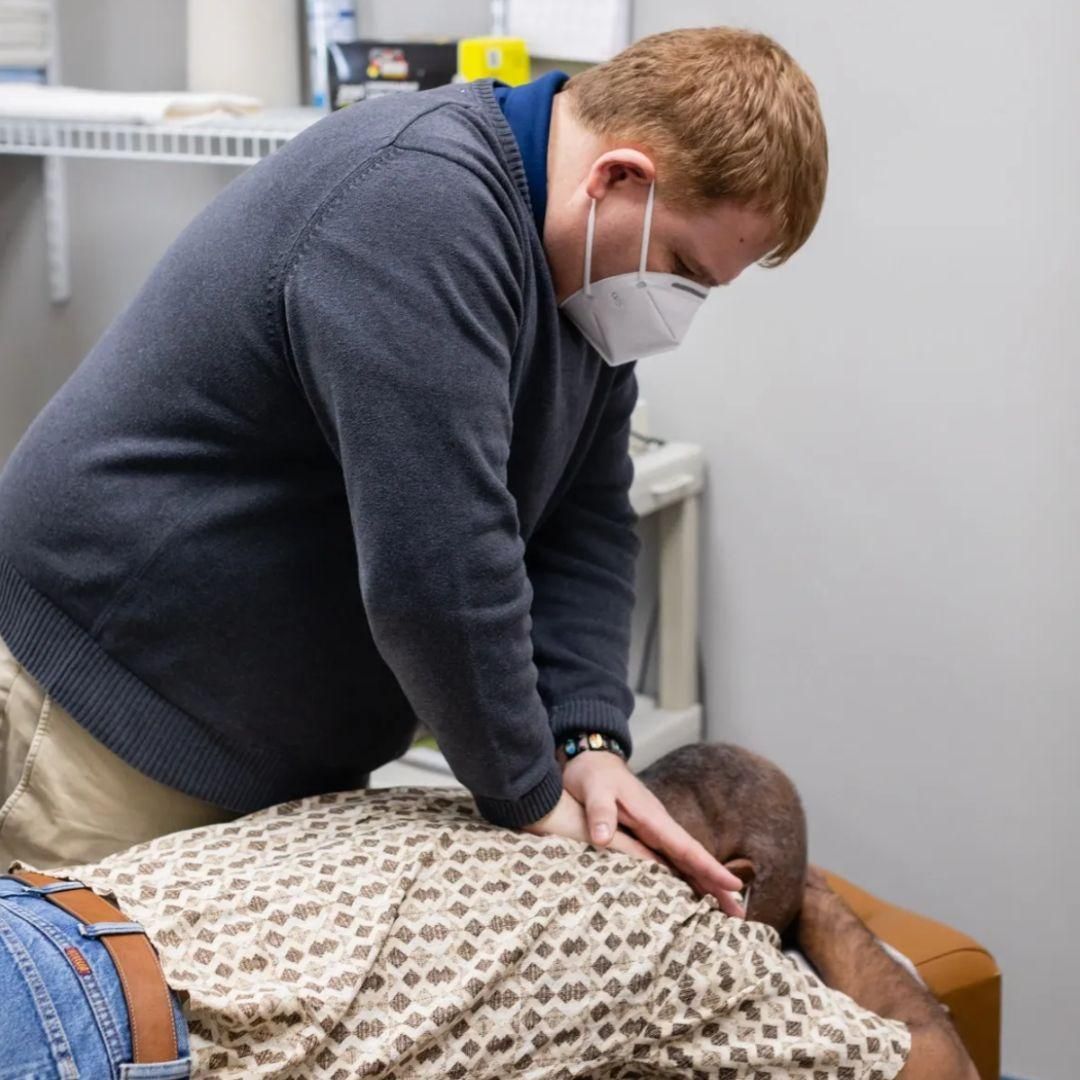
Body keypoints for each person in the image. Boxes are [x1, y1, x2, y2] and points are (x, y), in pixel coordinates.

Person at [0, 27, 827, 905]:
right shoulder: (420, 202)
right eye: (682, 268)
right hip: (99, 715)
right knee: (95, 1023)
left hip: (268, 753)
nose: (676, 307)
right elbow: (438, 565)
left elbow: (586, 517)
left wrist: (588, 741)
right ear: (617, 175)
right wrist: (530, 798)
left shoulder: (582, 280)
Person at [0, 742, 977, 1079]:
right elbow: (934, 1065)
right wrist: (802, 894)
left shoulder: (449, 798)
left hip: (37, 915)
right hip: (80, 1032)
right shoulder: (682, 932)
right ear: (730, 871)